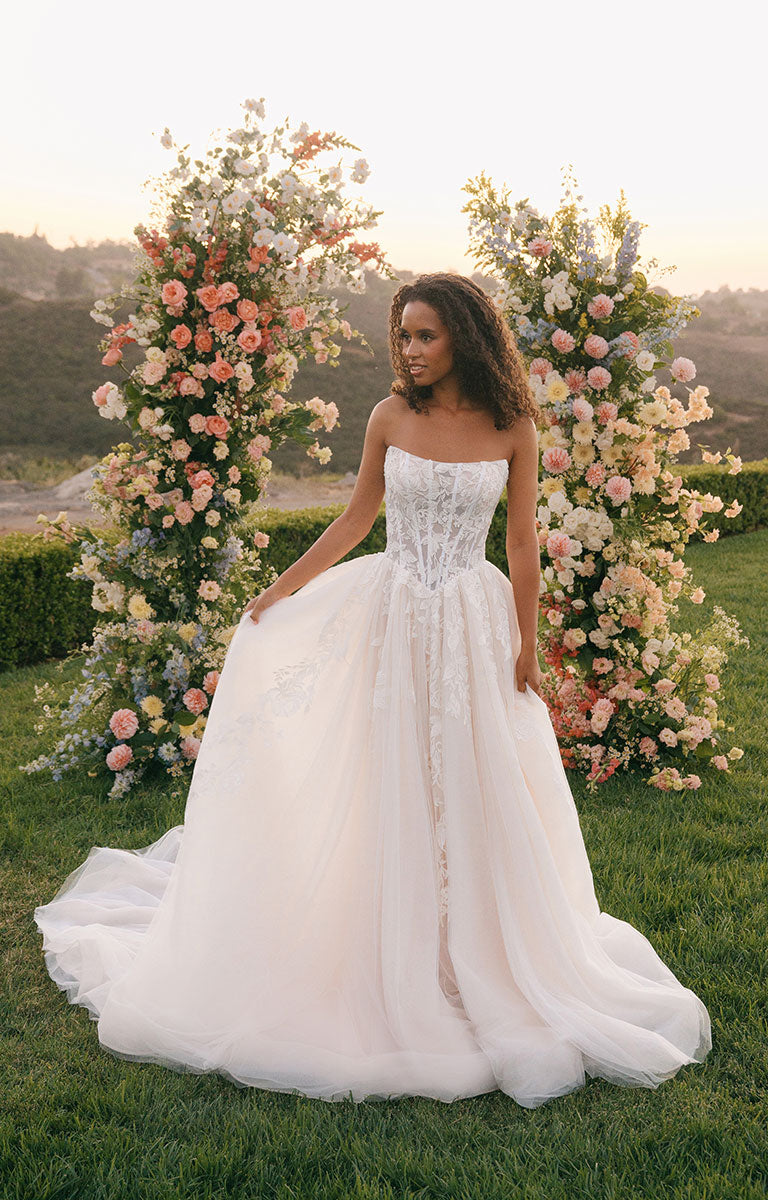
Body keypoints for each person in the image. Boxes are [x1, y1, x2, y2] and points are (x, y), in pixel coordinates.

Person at [34, 273, 711, 1110]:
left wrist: (529, 642)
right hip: (393, 614)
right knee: (386, 771)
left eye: (425, 335)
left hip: (471, 618)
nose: (412, 350)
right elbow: (356, 520)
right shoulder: (390, 417)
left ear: (462, 335)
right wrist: (278, 589)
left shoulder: (513, 425)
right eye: (404, 336)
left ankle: (477, 946)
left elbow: (523, 540)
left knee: (473, 779)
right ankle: (382, 935)